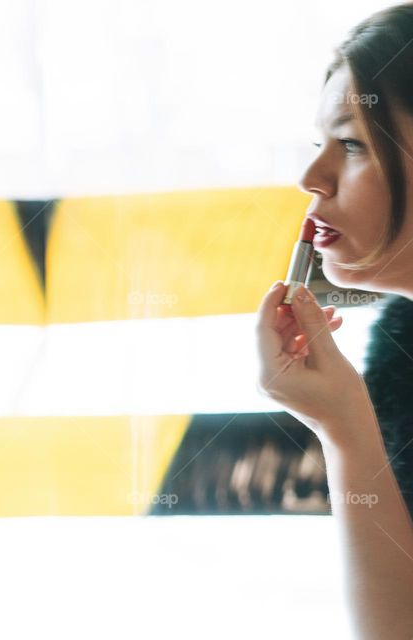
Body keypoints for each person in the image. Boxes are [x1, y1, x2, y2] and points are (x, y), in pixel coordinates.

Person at [255, 4, 413, 637]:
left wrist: (346, 425)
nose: (310, 178)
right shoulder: (399, 353)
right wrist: (343, 422)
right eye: (320, 143)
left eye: (351, 144)